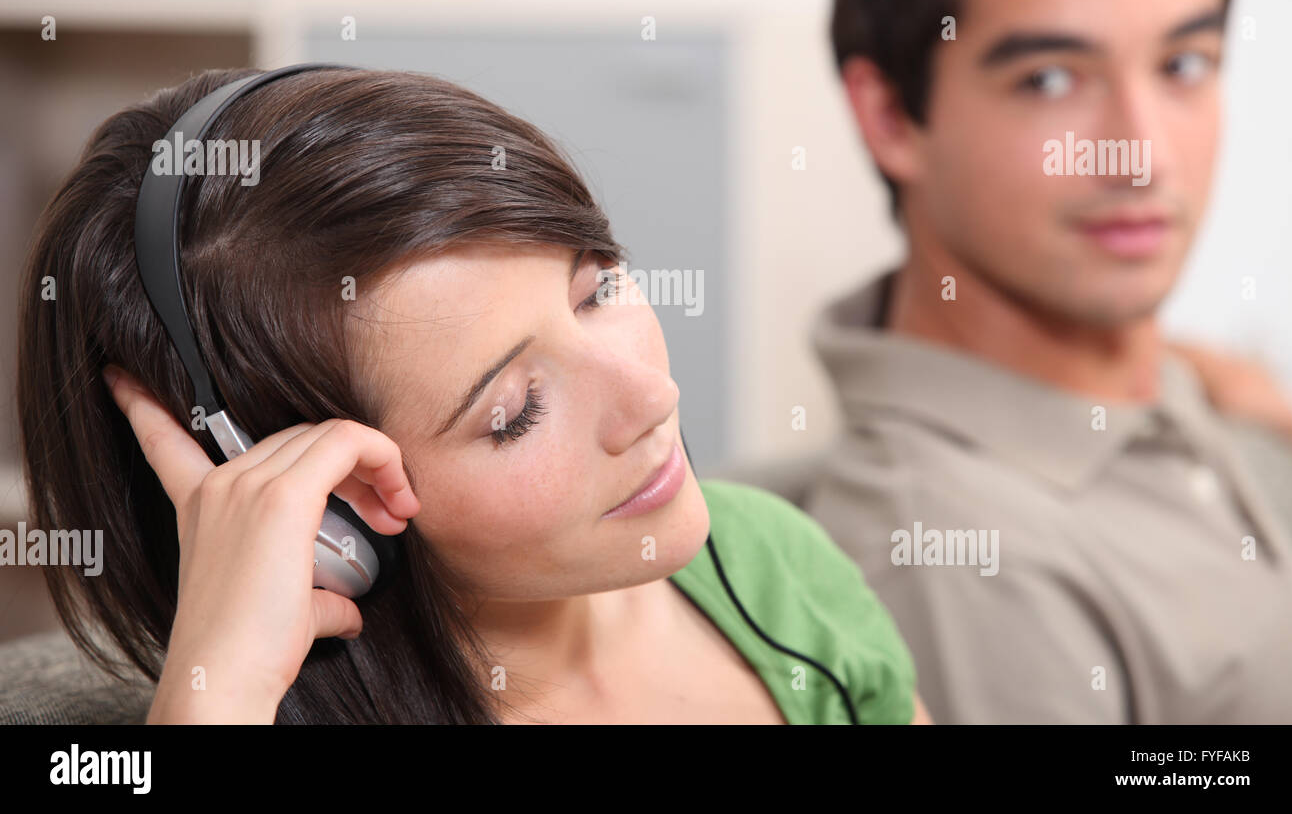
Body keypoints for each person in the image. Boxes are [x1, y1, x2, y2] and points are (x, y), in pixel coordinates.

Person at [16, 65, 923, 724]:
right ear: (337, 518)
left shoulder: (771, 559)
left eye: (597, 289)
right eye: (513, 412)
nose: (651, 396)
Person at [806, 0, 1292, 722]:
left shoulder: (1186, 396)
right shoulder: (957, 560)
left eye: (1183, 64)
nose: (1139, 155)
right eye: (1050, 80)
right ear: (889, 117)